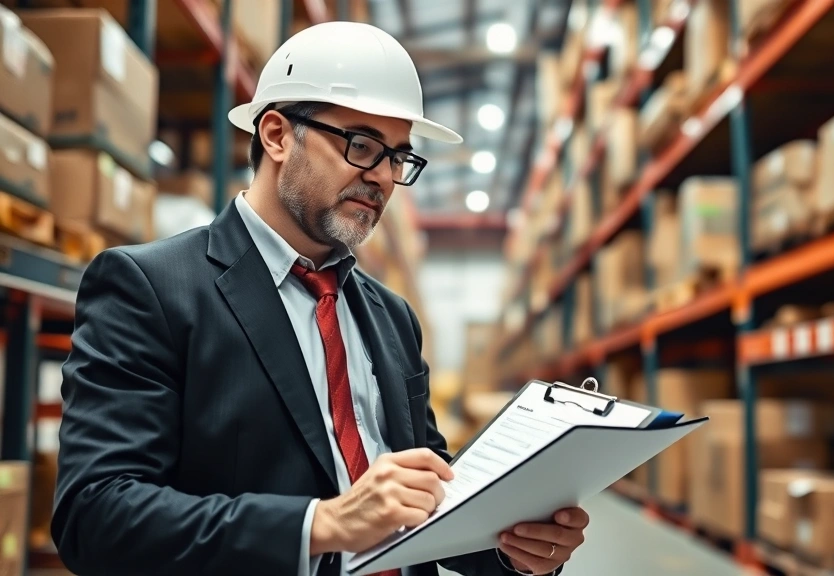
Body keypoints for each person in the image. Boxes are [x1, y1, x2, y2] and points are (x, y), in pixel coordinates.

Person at [52, 21, 588, 576]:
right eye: (361, 145)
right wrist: (321, 525)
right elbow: (96, 515)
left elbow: (427, 494)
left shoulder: (391, 317)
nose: (382, 176)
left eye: (399, 157)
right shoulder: (150, 288)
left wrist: (513, 546)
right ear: (277, 135)